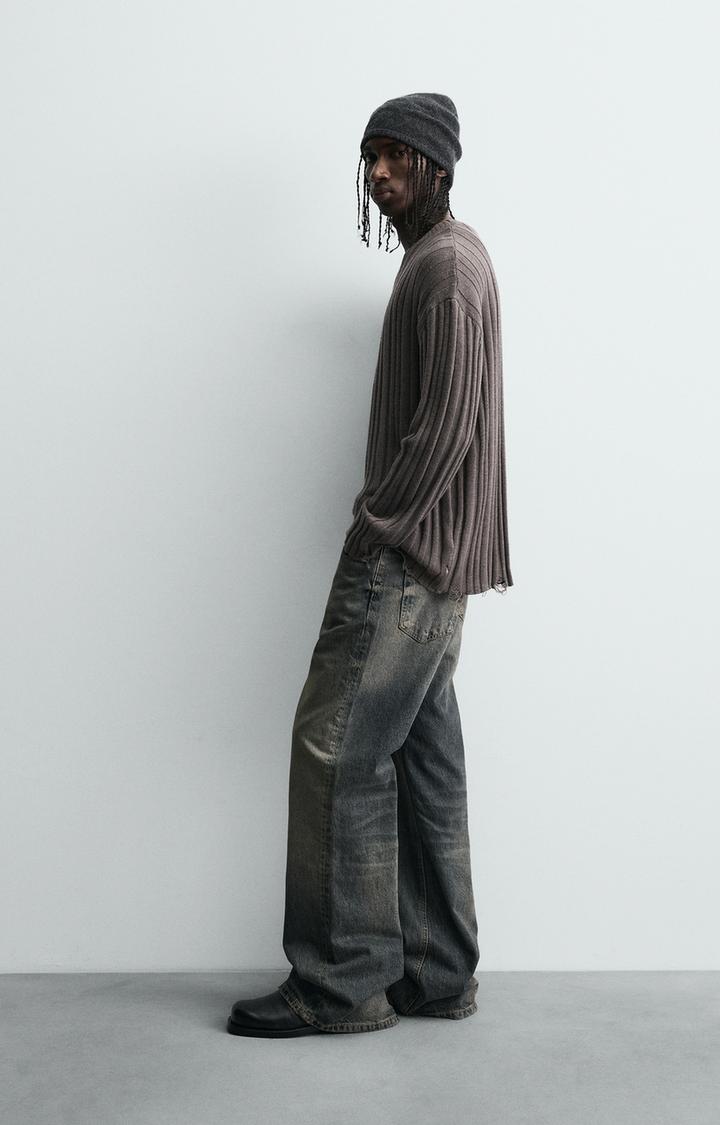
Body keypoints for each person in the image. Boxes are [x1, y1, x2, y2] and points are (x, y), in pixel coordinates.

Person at [227, 92, 513, 1038]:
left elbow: (449, 425)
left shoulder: (448, 266)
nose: (380, 173)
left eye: (397, 155)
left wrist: (379, 523)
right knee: (422, 762)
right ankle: (436, 973)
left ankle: (340, 984)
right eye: (370, 158)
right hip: (439, 567)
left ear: (439, 165)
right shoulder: (443, 259)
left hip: (409, 563)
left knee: (336, 748)